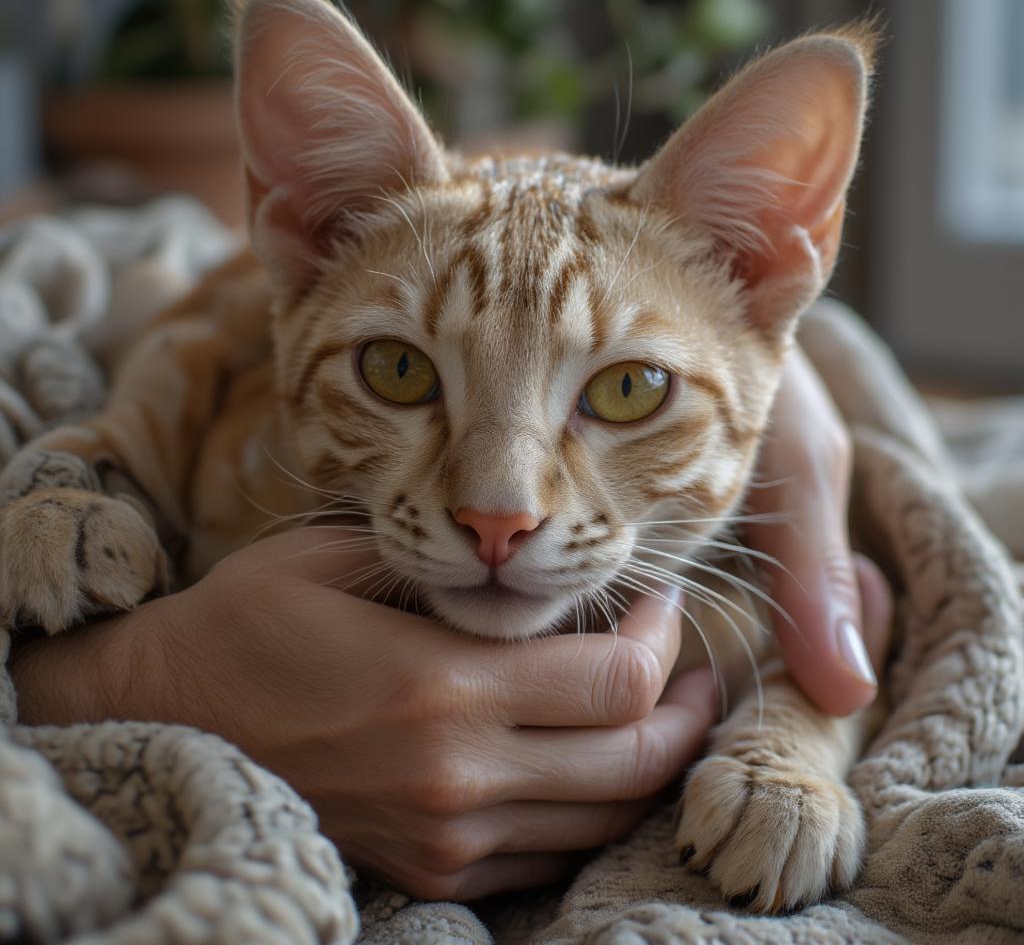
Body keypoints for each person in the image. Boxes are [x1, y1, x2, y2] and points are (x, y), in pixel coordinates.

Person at [10, 349, 891, 901]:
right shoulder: (260, 468)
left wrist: (792, 743)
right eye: (405, 372)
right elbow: (198, 335)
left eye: (629, 387)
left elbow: (836, 642)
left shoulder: (712, 574)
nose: (498, 506)